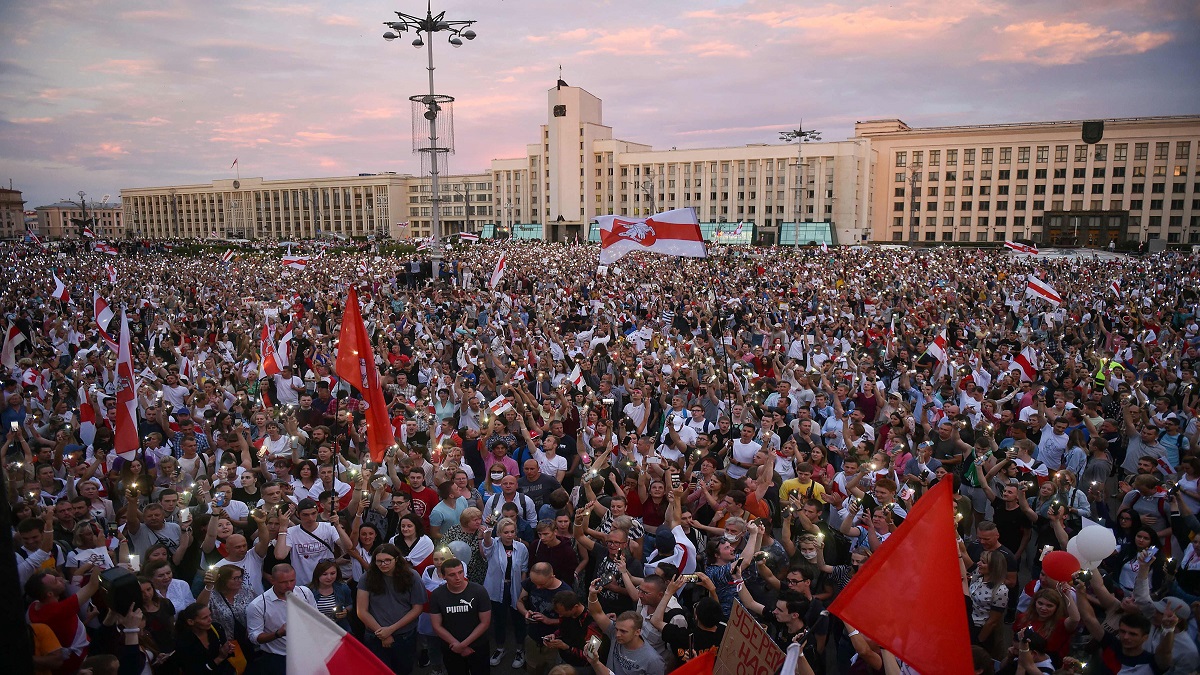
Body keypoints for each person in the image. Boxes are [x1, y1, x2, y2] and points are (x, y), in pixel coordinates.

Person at [355, 543, 427, 673]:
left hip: (404, 636)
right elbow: (361, 611)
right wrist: (382, 634)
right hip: (375, 636)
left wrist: (390, 630)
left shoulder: (412, 576)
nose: (383, 564)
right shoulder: (366, 578)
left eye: (387, 560)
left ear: (397, 559)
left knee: (403, 670)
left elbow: (417, 608)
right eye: (379, 561)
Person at [25, 568, 101, 675]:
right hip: (78, 662)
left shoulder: (33, 607)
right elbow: (93, 584)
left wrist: (88, 619)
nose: (61, 578)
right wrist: (98, 564)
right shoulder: (58, 611)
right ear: (50, 594)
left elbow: (66, 630)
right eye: (56, 581)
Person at [245, 563, 317, 675]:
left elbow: (315, 617)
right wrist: (278, 633)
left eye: (292, 580)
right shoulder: (258, 605)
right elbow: (254, 637)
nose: (289, 585)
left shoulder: (305, 593)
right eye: (283, 582)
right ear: (272, 580)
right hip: (278, 659)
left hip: (307, 654)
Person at [428, 557, 493, 675]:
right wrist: (456, 645)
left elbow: (485, 623)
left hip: (477, 646)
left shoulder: (479, 591)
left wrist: (462, 645)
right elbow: (436, 625)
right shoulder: (437, 595)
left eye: (460, 572)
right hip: (451, 647)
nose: (458, 577)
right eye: (452, 575)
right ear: (443, 576)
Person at [481, 516, 530, 668]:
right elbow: (486, 542)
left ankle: (520, 650)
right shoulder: (493, 544)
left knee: (518, 620)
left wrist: (522, 590)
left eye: (512, 532)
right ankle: (500, 648)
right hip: (497, 588)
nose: (509, 535)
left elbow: (524, 570)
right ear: (499, 533)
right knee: (499, 620)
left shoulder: (521, 548)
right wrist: (489, 527)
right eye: (506, 532)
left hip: (515, 587)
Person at [517, 562, 569, 675]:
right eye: (535, 583)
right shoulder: (532, 582)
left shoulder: (565, 593)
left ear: (552, 577)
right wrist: (526, 612)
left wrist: (549, 621)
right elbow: (520, 602)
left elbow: (571, 620)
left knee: (554, 671)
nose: (538, 587)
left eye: (541, 584)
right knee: (532, 668)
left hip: (554, 642)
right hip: (532, 638)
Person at [174, 603, 237, 675]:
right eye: (204, 618)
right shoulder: (184, 642)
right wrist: (219, 659)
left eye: (210, 615)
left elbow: (226, 652)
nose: (210, 620)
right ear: (191, 622)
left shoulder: (216, 628)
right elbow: (193, 670)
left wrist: (228, 650)